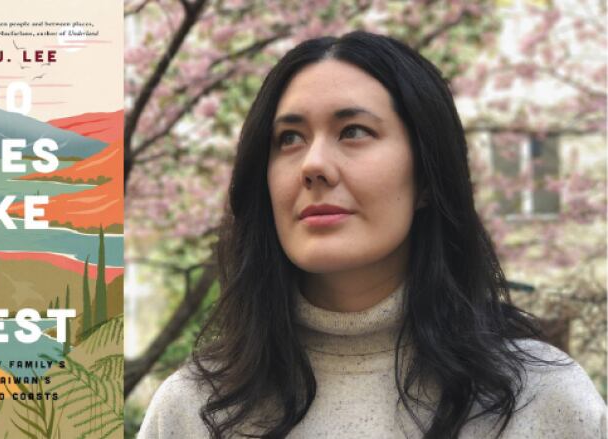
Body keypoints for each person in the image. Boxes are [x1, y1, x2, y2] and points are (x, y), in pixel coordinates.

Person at [137, 31, 606, 438]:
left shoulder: (542, 401)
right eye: (290, 139)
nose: (313, 164)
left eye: (354, 131)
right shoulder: (195, 411)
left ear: (426, 176)